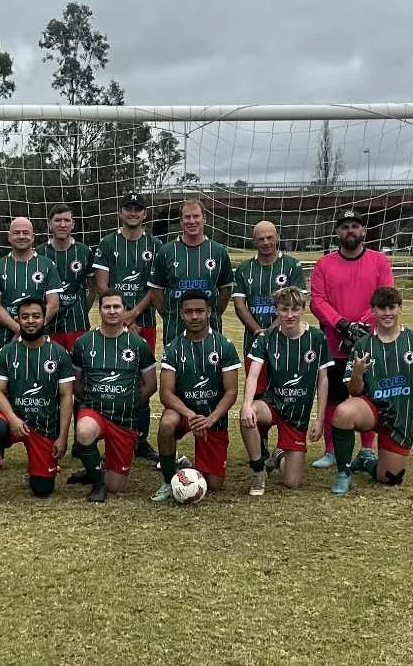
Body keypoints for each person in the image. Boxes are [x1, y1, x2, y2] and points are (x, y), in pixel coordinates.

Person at [328, 286, 413, 495]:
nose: (387, 313)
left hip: (400, 415)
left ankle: (366, 462)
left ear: (400, 309)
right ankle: (344, 473)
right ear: (373, 311)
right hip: (371, 409)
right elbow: (354, 391)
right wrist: (358, 373)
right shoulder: (362, 345)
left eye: (392, 307)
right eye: (381, 308)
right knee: (343, 413)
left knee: (391, 477)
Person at [308, 208, 396, 469]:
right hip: (334, 343)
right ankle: (332, 450)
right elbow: (317, 300)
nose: (350, 231)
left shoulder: (379, 261)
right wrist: (342, 324)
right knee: (333, 397)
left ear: (363, 231)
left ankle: (367, 449)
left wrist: (363, 325)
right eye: (345, 227)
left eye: (355, 226)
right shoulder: (324, 264)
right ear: (337, 232)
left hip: (369, 343)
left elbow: (386, 296)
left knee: (369, 396)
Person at [0, 296, 76, 507]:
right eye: (25, 317)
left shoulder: (59, 353)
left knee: (42, 491)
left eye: (36, 316)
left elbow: (66, 397)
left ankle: (36, 470)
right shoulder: (7, 352)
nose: (30, 321)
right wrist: (12, 418)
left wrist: (63, 437)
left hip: (44, 425)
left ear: (44, 319)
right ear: (17, 320)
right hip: (14, 419)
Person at [240, 285, 331, 496]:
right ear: (276, 310)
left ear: (302, 309)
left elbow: (323, 380)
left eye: (295, 309)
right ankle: (258, 470)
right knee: (249, 413)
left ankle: (280, 454)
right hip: (272, 404)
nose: (289, 315)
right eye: (284, 309)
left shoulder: (317, 338)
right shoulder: (266, 338)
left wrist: (319, 419)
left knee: (292, 482)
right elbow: (253, 375)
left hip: (297, 416)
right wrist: (246, 405)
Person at [92, 192, 162, 461]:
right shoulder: (108, 243)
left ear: (144, 214)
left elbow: (154, 287)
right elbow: (101, 283)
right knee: (113, 378)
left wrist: (133, 314)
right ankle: (108, 433)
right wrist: (120, 318)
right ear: (120, 212)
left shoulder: (154, 245)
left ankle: (140, 439)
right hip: (112, 323)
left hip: (143, 322)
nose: (133, 213)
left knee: (143, 380)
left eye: (138, 209)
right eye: (128, 208)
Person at [153, 288, 240, 501]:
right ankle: (167, 480)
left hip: (213, 417)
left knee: (214, 486)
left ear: (209, 311)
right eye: (189, 311)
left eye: (199, 311)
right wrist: (190, 414)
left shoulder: (224, 346)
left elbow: (231, 391)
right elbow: (166, 393)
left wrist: (211, 419)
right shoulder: (173, 348)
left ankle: (185, 464)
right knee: (166, 423)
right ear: (181, 314)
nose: (194, 316)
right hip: (185, 413)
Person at [70, 291, 157, 503]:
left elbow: (151, 385)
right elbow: (76, 384)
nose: (112, 311)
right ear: (99, 310)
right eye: (106, 307)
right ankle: (98, 484)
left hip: (124, 420)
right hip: (95, 412)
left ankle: (95, 472)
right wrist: (94, 401)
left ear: (124, 310)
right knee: (84, 431)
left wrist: (128, 402)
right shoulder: (84, 342)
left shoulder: (138, 344)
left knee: (116, 487)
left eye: (116, 306)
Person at [151, 199, 234, 347]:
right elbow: (156, 291)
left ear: (204, 219)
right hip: (175, 329)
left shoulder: (218, 251)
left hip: (210, 328)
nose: (192, 221)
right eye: (187, 217)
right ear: (181, 221)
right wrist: (170, 314)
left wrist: (212, 312)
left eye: (196, 216)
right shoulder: (166, 251)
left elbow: (225, 291)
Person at [232, 221, 307, 362]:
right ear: (254, 241)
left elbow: (298, 302)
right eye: (261, 239)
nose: (266, 242)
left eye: (270, 237)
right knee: (255, 382)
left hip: (287, 338)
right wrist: (258, 332)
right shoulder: (244, 269)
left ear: (277, 237)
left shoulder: (292, 265)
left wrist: (270, 332)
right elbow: (239, 305)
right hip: (253, 340)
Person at [0, 218, 62, 339]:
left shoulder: (48, 265)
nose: (21, 236)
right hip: (6, 336)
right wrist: (17, 328)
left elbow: (53, 304)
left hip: (40, 336)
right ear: (9, 236)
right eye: (16, 233)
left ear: (33, 237)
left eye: (26, 233)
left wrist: (33, 328)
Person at [44, 205, 95, 351]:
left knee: (77, 370)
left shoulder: (85, 252)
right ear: (49, 223)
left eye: (66, 220)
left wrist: (81, 310)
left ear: (73, 224)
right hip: (48, 326)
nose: (62, 224)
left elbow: (93, 288)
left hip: (77, 325)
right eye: (57, 220)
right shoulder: (40, 253)